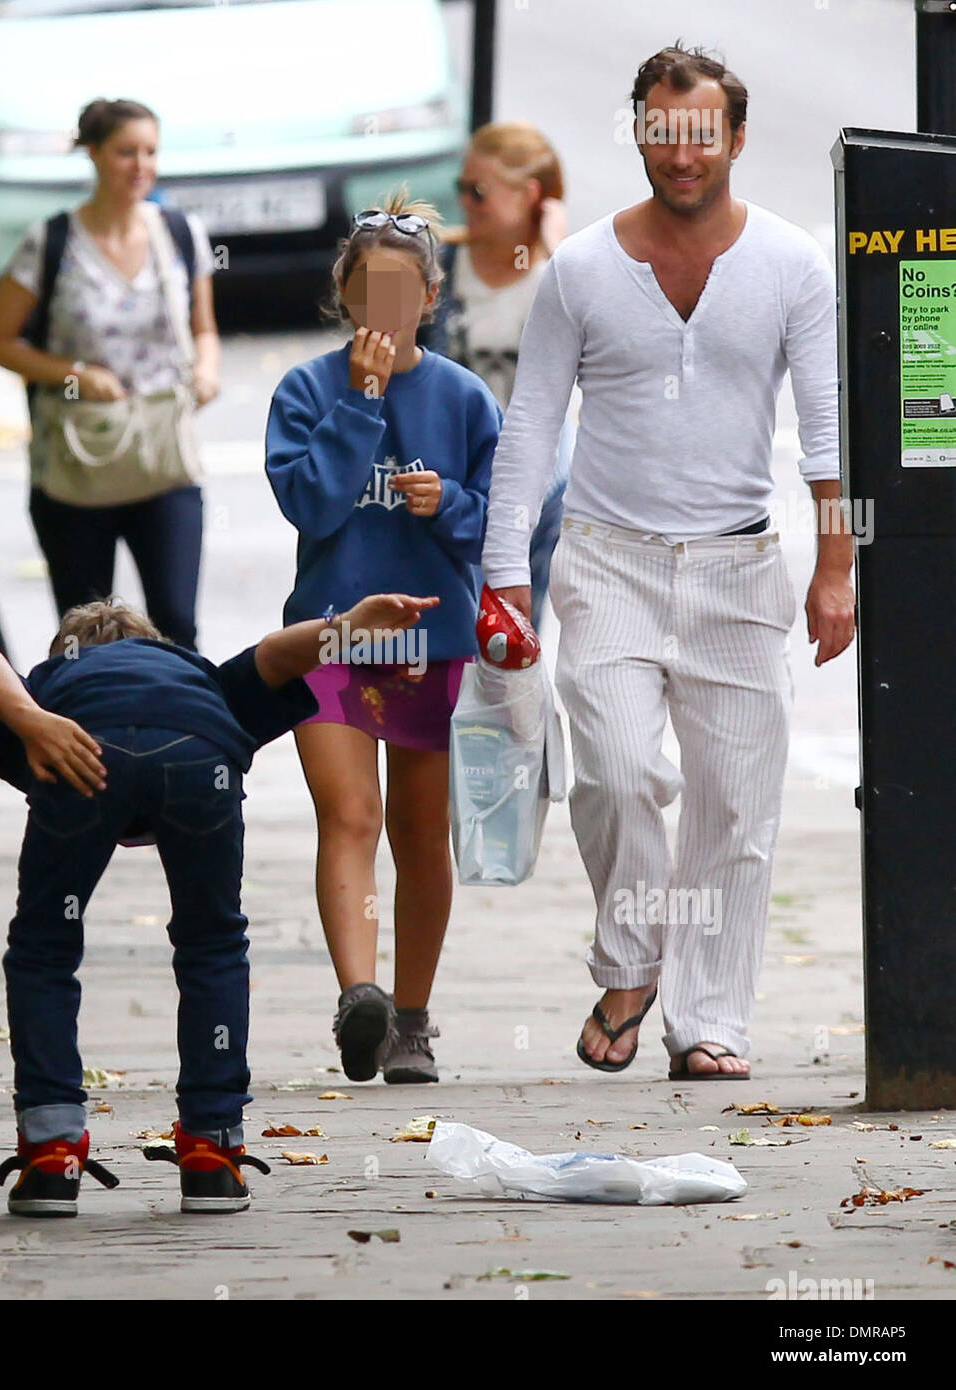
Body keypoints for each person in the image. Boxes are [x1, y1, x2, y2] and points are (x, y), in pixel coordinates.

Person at [482, 45, 855, 1081]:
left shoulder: (790, 265)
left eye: (700, 132)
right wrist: (503, 571)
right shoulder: (582, 272)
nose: (680, 152)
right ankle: (633, 959)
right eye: (661, 129)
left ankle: (712, 1023)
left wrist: (836, 568)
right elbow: (530, 426)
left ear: (733, 138)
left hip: (739, 571)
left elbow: (826, 433)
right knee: (613, 771)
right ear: (638, 132)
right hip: (608, 565)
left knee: (736, 805)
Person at [0, 590, 435, 1215]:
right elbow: (278, 654)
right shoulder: (196, 674)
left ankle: (50, 1153)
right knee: (212, 945)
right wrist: (347, 627)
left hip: (84, 757)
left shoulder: (54, 679)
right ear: (157, 647)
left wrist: (35, 721)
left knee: (43, 949)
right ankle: (212, 1151)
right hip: (200, 758)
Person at [265, 191, 500, 1085]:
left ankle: (411, 1019)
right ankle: (356, 997)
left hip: (432, 644)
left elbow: (505, 525)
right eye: (372, 291)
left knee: (417, 830)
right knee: (348, 814)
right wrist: (361, 403)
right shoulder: (305, 390)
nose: (389, 310)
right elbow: (312, 505)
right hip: (329, 634)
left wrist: (456, 506)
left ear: (432, 300)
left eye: (406, 292)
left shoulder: (464, 398)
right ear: (347, 297)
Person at [0, 97, 220, 650]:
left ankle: (181, 730)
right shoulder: (53, 241)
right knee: (85, 632)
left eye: (151, 152)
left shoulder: (180, 233)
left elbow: (204, 327)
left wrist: (207, 369)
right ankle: (87, 733)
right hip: (76, 464)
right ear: (92, 155)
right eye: (125, 152)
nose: (141, 167)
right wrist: (74, 374)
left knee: (178, 624)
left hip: (163, 457)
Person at [420, 121, 574, 630]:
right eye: (461, 188)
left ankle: (513, 704)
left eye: (478, 191)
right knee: (455, 627)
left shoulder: (560, 272)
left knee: (516, 633)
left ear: (529, 194)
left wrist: (559, 252)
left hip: (538, 482)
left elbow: (608, 358)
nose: (464, 201)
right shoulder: (439, 265)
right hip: (453, 475)